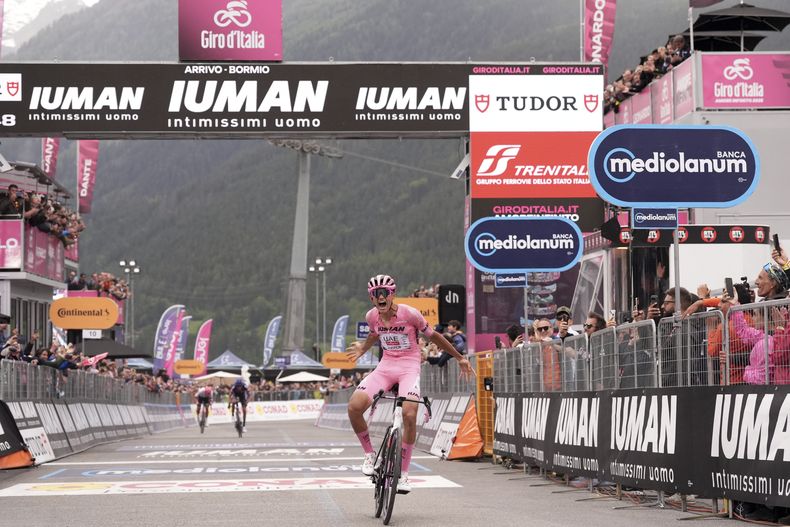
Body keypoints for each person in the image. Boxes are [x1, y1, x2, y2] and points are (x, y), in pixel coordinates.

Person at [346, 274, 474, 494]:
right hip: (385, 367)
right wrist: (363, 348)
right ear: (371, 298)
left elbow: (434, 337)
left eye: (385, 293)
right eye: (376, 294)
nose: (381, 297)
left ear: (392, 294)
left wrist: (459, 357)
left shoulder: (410, 314)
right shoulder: (371, 316)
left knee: (409, 414)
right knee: (354, 407)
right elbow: (375, 334)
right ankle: (369, 455)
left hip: (409, 367)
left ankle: (404, 474)